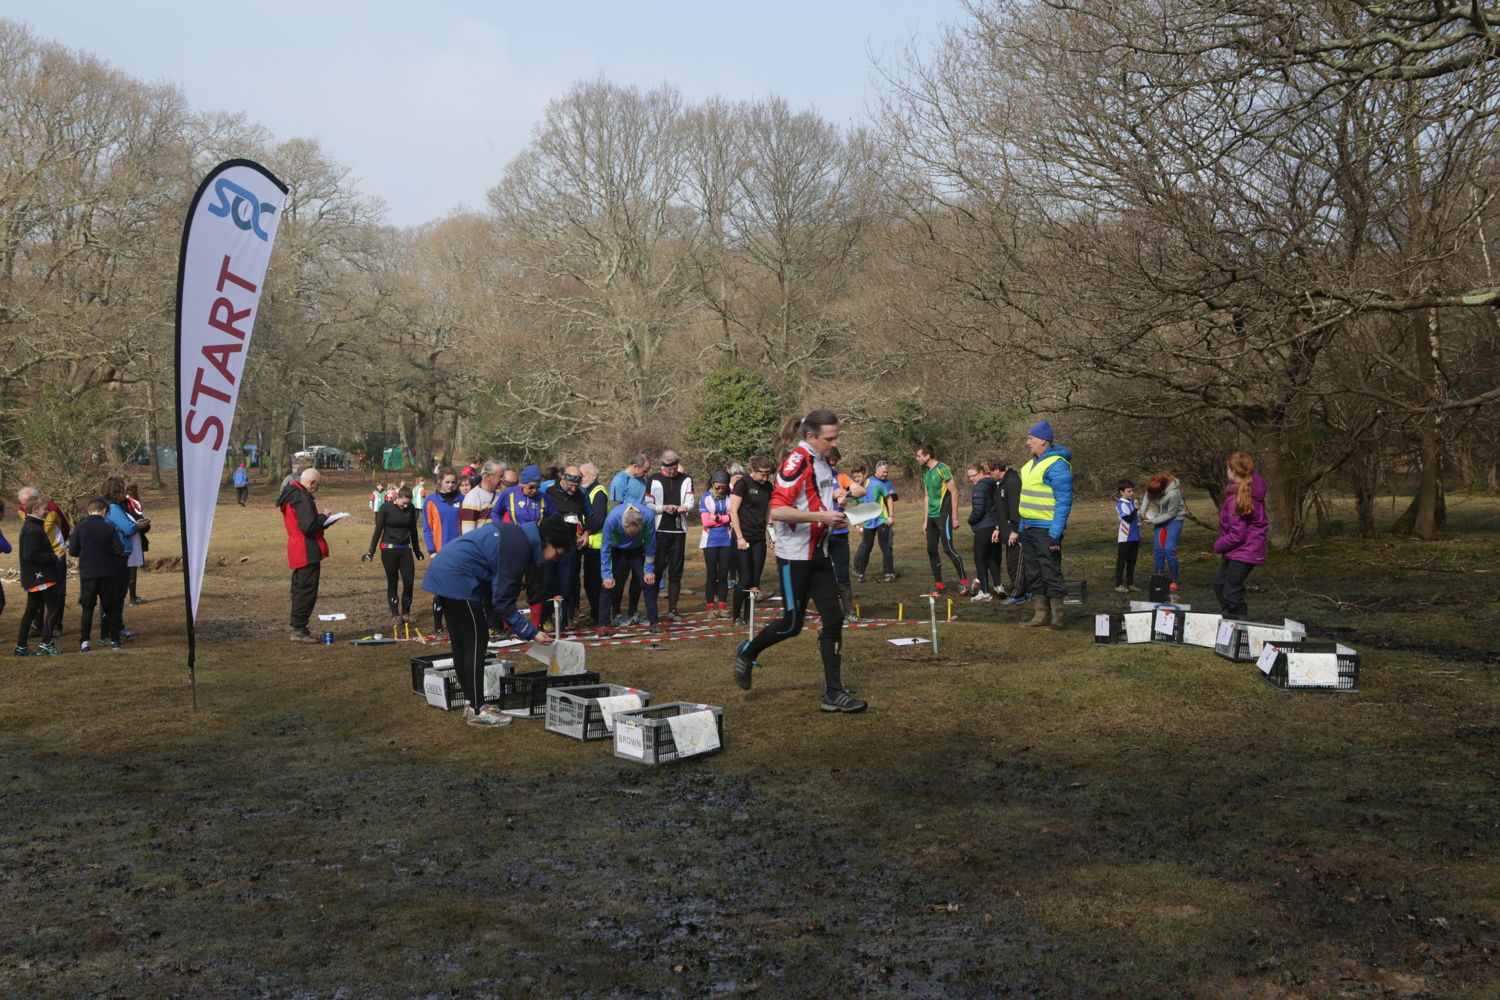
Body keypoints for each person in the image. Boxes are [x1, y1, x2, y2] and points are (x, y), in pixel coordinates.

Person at [733, 410, 865, 713]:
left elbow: (817, 497)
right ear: (810, 436)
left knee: (833, 619)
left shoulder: (823, 460)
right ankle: (747, 651)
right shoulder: (796, 462)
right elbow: (776, 512)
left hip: (820, 554)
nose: (835, 443)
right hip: (794, 557)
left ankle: (833, 693)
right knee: (792, 624)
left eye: (836, 437)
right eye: (830, 438)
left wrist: (836, 506)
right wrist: (822, 516)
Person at [420, 515, 572, 728]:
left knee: (462, 644)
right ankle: (477, 711)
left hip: (445, 570)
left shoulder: (517, 537)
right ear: (548, 542)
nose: (555, 559)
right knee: (477, 641)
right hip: (457, 577)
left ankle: (470, 703)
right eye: (557, 553)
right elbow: (503, 602)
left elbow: (497, 589)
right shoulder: (518, 548)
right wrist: (532, 632)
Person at [1014, 421, 1073, 630]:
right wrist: (1022, 529)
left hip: (1047, 529)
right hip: (1029, 527)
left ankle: (1057, 618)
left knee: (1050, 571)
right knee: (1033, 571)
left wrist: (1055, 534)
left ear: (1043, 441)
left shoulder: (1057, 464)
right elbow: (1027, 501)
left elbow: (1064, 501)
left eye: (1031, 438)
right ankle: (1040, 614)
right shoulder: (1028, 466)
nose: (1027, 442)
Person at [278, 468, 338, 642]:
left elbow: (304, 524)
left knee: (302, 588)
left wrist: (324, 523)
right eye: (317, 485)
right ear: (311, 482)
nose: (317, 489)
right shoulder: (301, 497)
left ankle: (300, 627)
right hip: (305, 548)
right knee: (306, 589)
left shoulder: (292, 494)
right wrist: (323, 517)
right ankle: (298, 629)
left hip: (299, 546)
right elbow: (307, 526)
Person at [1212, 453, 1268, 618]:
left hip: (1245, 550)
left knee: (1232, 592)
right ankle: (1233, 619)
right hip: (1240, 549)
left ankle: (1240, 625)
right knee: (1220, 585)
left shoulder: (1237, 499)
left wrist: (1218, 545)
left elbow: (1238, 535)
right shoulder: (1244, 491)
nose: (1227, 472)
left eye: (1228, 468)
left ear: (1233, 472)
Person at [365, 486, 426, 627]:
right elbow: (378, 529)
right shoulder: (385, 508)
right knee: (393, 582)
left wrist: (417, 551)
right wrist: (371, 551)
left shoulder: (410, 508)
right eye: (403, 503)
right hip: (389, 549)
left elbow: (413, 530)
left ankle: (406, 613)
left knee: (408, 582)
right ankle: (395, 615)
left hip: (405, 549)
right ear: (397, 497)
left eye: (408, 503)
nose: (406, 506)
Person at [69, 497, 123, 651]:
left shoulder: (80, 528)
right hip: (107, 572)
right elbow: (119, 549)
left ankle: (85, 642)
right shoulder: (109, 527)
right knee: (109, 607)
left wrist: (85, 553)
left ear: (89, 511)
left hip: (88, 573)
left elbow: (73, 550)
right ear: (104, 510)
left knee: (87, 608)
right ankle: (115, 640)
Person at [598, 503, 660, 637]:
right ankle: (603, 625)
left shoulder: (648, 516)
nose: (632, 536)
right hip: (615, 548)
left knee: (648, 582)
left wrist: (649, 570)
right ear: (623, 526)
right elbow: (605, 548)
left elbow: (650, 543)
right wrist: (607, 575)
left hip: (636, 550)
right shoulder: (612, 518)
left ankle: (654, 623)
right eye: (629, 533)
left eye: (635, 534)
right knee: (607, 585)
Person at [542, 466, 592, 631]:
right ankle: (546, 618)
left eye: (576, 486)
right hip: (549, 544)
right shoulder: (547, 487)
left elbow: (590, 514)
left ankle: (566, 619)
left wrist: (586, 532)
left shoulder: (582, 493)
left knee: (567, 582)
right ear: (563, 479)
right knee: (548, 582)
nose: (573, 490)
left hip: (569, 544)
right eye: (570, 486)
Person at [13, 492, 63, 656]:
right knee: (54, 605)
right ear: (35, 509)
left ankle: (21, 647)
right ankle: (46, 644)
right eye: (44, 509)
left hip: (35, 576)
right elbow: (30, 555)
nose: (47, 512)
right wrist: (53, 557)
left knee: (31, 610)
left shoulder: (31, 526)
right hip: (39, 576)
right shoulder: (33, 529)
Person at [646, 450, 694, 622]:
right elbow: (648, 504)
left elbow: (690, 502)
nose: (672, 472)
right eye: (668, 469)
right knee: (657, 571)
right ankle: (652, 611)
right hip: (659, 530)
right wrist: (664, 508)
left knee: (675, 572)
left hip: (678, 531)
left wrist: (684, 508)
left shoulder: (686, 479)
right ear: (662, 466)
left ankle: (672, 610)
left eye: (674, 468)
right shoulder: (653, 479)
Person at [916, 444, 969, 597]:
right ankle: (939, 585)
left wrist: (954, 517)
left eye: (919, 456)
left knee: (948, 549)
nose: (917, 458)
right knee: (931, 549)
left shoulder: (943, 469)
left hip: (944, 514)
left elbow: (955, 493)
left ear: (927, 456)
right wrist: (926, 520)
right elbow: (927, 496)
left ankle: (965, 583)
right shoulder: (925, 472)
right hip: (931, 517)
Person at [729, 455, 774, 625]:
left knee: (755, 581)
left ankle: (749, 618)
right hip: (742, 538)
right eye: (762, 474)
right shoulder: (743, 484)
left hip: (759, 538)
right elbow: (733, 511)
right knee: (745, 578)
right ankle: (736, 618)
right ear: (753, 471)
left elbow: (768, 513)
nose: (765, 478)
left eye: (768, 474)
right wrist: (740, 537)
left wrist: (772, 536)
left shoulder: (768, 486)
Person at [608, 454, 650, 624]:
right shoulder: (619, 480)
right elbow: (614, 509)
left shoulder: (641, 480)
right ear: (634, 466)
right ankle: (616, 614)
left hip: (639, 538)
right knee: (620, 578)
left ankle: (632, 613)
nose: (646, 474)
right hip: (622, 539)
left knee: (639, 577)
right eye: (644, 471)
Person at [98, 479, 141, 643]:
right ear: (115, 492)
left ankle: (117, 627)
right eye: (122, 490)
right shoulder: (113, 508)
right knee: (114, 594)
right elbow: (129, 528)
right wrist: (137, 526)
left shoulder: (114, 507)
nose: (125, 493)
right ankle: (109, 630)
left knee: (118, 594)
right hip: (117, 555)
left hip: (119, 554)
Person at [825, 448, 866, 621]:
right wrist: (832, 495)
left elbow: (861, 491)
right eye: (830, 464)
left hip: (840, 534)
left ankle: (850, 613)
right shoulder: (813, 478)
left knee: (843, 574)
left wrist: (846, 493)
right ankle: (824, 613)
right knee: (820, 575)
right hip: (820, 534)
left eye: (835, 464)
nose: (833, 467)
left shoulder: (840, 477)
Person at [422, 469, 464, 634]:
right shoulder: (431, 500)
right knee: (441, 590)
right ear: (439, 481)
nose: (451, 485)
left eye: (453, 482)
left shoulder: (462, 498)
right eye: (447, 482)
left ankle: (457, 624)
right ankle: (438, 627)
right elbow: (427, 528)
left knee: (459, 588)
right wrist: (432, 551)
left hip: (460, 551)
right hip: (440, 552)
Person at [1142, 472, 1187, 594]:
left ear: (1162, 492)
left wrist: (1152, 521)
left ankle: (1175, 582)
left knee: (1169, 550)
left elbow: (1171, 514)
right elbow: (1147, 495)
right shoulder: (1154, 486)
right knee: (1158, 550)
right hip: (1160, 518)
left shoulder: (1173, 494)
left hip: (1175, 519)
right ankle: (1159, 579)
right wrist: (1143, 509)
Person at [852, 461, 896, 584]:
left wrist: (891, 516)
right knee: (867, 547)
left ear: (865, 475)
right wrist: (856, 525)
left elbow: (889, 498)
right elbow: (855, 508)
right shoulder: (855, 490)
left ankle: (890, 573)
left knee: (884, 546)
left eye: (859, 476)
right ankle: (861, 575)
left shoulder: (877, 484)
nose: (857, 479)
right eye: (855, 477)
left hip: (881, 520)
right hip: (868, 523)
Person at [965, 462, 1003, 602]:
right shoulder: (995, 484)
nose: (971, 479)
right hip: (995, 526)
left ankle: (985, 591)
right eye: (969, 477)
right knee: (993, 558)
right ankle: (998, 586)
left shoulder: (980, 487)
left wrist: (970, 520)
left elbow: (979, 510)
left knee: (980, 559)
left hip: (983, 527)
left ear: (981, 473)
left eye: (973, 475)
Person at [699, 470, 734, 619]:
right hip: (710, 541)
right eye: (718, 487)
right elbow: (706, 522)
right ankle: (710, 609)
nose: (721, 490)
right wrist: (726, 518)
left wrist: (718, 518)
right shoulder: (706, 498)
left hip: (726, 540)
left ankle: (722, 608)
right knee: (711, 576)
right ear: (712, 483)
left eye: (724, 487)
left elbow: (733, 517)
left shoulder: (731, 497)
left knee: (723, 575)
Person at [578, 464, 610, 627]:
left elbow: (598, 519)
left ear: (594, 476)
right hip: (589, 545)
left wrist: (585, 532)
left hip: (597, 546)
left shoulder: (598, 492)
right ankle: (597, 614)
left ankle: (599, 616)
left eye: (583, 475)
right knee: (590, 583)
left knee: (594, 583)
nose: (581, 479)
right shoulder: (586, 491)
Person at [989, 459, 1025, 601]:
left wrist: (1015, 530)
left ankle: (1018, 592)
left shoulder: (1012, 482)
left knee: (1016, 563)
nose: (989, 476)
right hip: (1006, 531)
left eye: (990, 472)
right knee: (1010, 563)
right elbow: (1001, 509)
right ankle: (1018, 589)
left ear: (997, 470)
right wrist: (998, 527)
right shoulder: (1000, 485)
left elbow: (1016, 509)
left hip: (1015, 532)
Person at [459, 460, 504, 534]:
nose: (503, 479)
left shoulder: (499, 495)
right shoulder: (473, 496)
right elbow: (468, 530)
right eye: (500, 476)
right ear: (489, 476)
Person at [1114, 478, 1141, 593]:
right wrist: (1136, 509)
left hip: (1135, 536)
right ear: (1122, 492)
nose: (1132, 493)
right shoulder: (1121, 504)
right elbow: (1128, 519)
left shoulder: (1133, 503)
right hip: (1125, 537)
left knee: (1132, 561)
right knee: (1122, 561)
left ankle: (1130, 584)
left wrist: (1143, 519)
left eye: (1133, 491)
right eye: (1129, 491)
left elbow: (1137, 517)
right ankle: (1119, 584)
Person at [125, 480, 149, 607]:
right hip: (133, 537)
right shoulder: (133, 503)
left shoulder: (118, 503)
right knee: (132, 568)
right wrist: (146, 525)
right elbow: (139, 520)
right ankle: (132, 597)